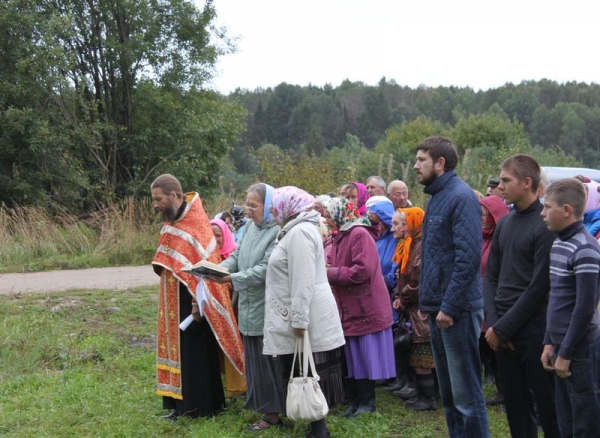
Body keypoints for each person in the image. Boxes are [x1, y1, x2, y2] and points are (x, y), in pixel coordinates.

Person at [150, 174, 245, 420]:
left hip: (194, 300)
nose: (156, 205)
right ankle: (176, 406)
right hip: (171, 297)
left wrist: (195, 302)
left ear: (174, 195)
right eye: (154, 200)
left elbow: (204, 267)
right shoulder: (172, 221)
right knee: (176, 351)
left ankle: (201, 407)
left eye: (158, 199)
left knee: (195, 352)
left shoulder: (197, 222)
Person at [414, 136, 490, 437]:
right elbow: (434, 257)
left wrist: (448, 306)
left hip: (455, 310)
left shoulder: (461, 197)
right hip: (439, 308)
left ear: (440, 163)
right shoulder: (436, 198)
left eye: (422, 159)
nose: (416, 166)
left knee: (466, 396)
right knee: (449, 395)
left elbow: (468, 258)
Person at [483, 154, 559, 438]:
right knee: (516, 407)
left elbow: (539, 287)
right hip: (501, 328)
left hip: (533, 329)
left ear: (527, 183)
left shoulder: (545, 226)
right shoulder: (504, 223)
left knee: (546, 407)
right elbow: (490, 277)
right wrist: (494, 324)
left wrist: (503, 328)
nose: (499, 186)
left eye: (506, 180)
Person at [264, 186, 346, 438]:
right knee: (304, 370)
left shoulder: (299, 232)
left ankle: (319, 431)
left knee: (308, 372)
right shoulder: (294, 230)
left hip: (304, 316)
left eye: (275, 204)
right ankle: (316, 429)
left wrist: (299, 321)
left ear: (289, 206)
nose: (271, 209)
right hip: (299, 314)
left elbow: (302, 281)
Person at [206, 183, 282, 432]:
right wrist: (220, 268)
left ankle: (272, 413)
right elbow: (238, 257)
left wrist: (233, 279)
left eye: (253, 205)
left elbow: (265, 269)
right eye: (246, 203)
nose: (248, 210)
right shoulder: (250, 226)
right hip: (248, 304)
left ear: (269, 205)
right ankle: (261, 404)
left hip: (266, 304)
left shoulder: (278, 231)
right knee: (253, 358)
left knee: (267, 360)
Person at [324, 197, 395, 418]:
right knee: (354, 356)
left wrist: (330, 272)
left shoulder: (359, 234)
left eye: (328, 213)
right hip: (351, 306)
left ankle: (367, 402)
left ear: (339, 213)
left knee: (365, 356)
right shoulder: (341, 236)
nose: (325, 218)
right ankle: (356, 401)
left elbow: (362, 270)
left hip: (365, 306)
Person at [540, 178, 600, 437]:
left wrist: (566, 353)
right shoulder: (558, 242)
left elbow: (585, 308)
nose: (542, 213)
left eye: (547, 207)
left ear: (566, 210)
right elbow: (555, 298)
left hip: (580, 348)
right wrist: (548, 342)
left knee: (584, 422)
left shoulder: (586, 248)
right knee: (564, 419)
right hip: (561, 344)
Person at [392, 206, 436, 411]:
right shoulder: (408, 245)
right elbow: (402, 277)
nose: (394, 228)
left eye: (398, 223)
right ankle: (422, 394)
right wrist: (397, 296)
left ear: (411, 224)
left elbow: (417, 281)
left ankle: (428, 398)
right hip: (412, 308)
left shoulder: (422, 247)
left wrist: (402, 298)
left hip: (421, 311)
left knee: (423, 356)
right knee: (418, 355)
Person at [210, 218, 246, 397]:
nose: (215, 239)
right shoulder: (207, 256)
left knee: (234, 344)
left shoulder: (233, 254)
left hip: (234, 310)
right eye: (211, 236)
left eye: (218, 235)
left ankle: (238, 385)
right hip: (215, 310)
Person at [479, 195, 509, 406]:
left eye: (484, 215)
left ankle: (507, 391)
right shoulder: (483, 237)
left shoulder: (503, 239)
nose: (481, 218)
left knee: (501, 350)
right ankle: (501, 391)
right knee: (488, 348)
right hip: (481, 300)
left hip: (498, 301)